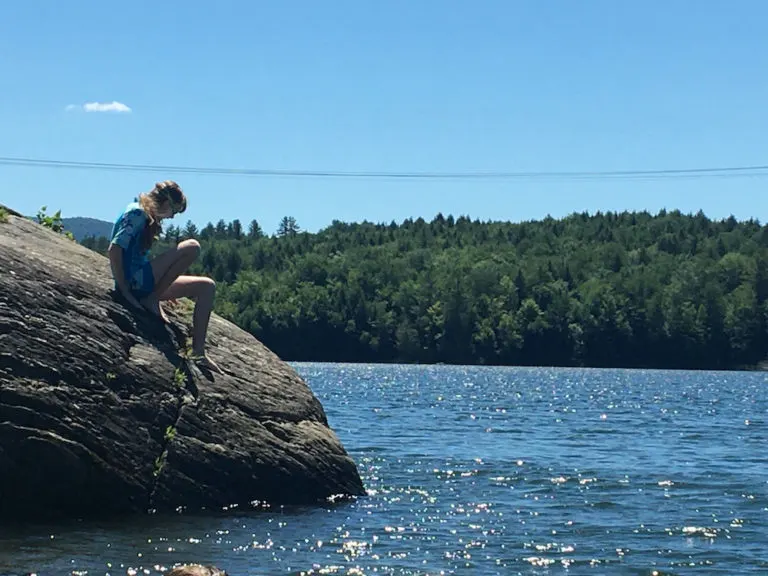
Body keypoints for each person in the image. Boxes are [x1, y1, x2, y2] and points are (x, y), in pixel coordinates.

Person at [108, 180, 222, 373]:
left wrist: (162, 283)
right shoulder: (137, 213)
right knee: (192, 247)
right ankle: (152, 298)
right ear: (167, 204)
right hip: (135, 284)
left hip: (143, 282)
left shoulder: (143, 214)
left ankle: (199, 352)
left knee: (207, 287)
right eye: (174, 212)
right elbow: (115, 249)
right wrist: (125, 291)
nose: (171, 217)